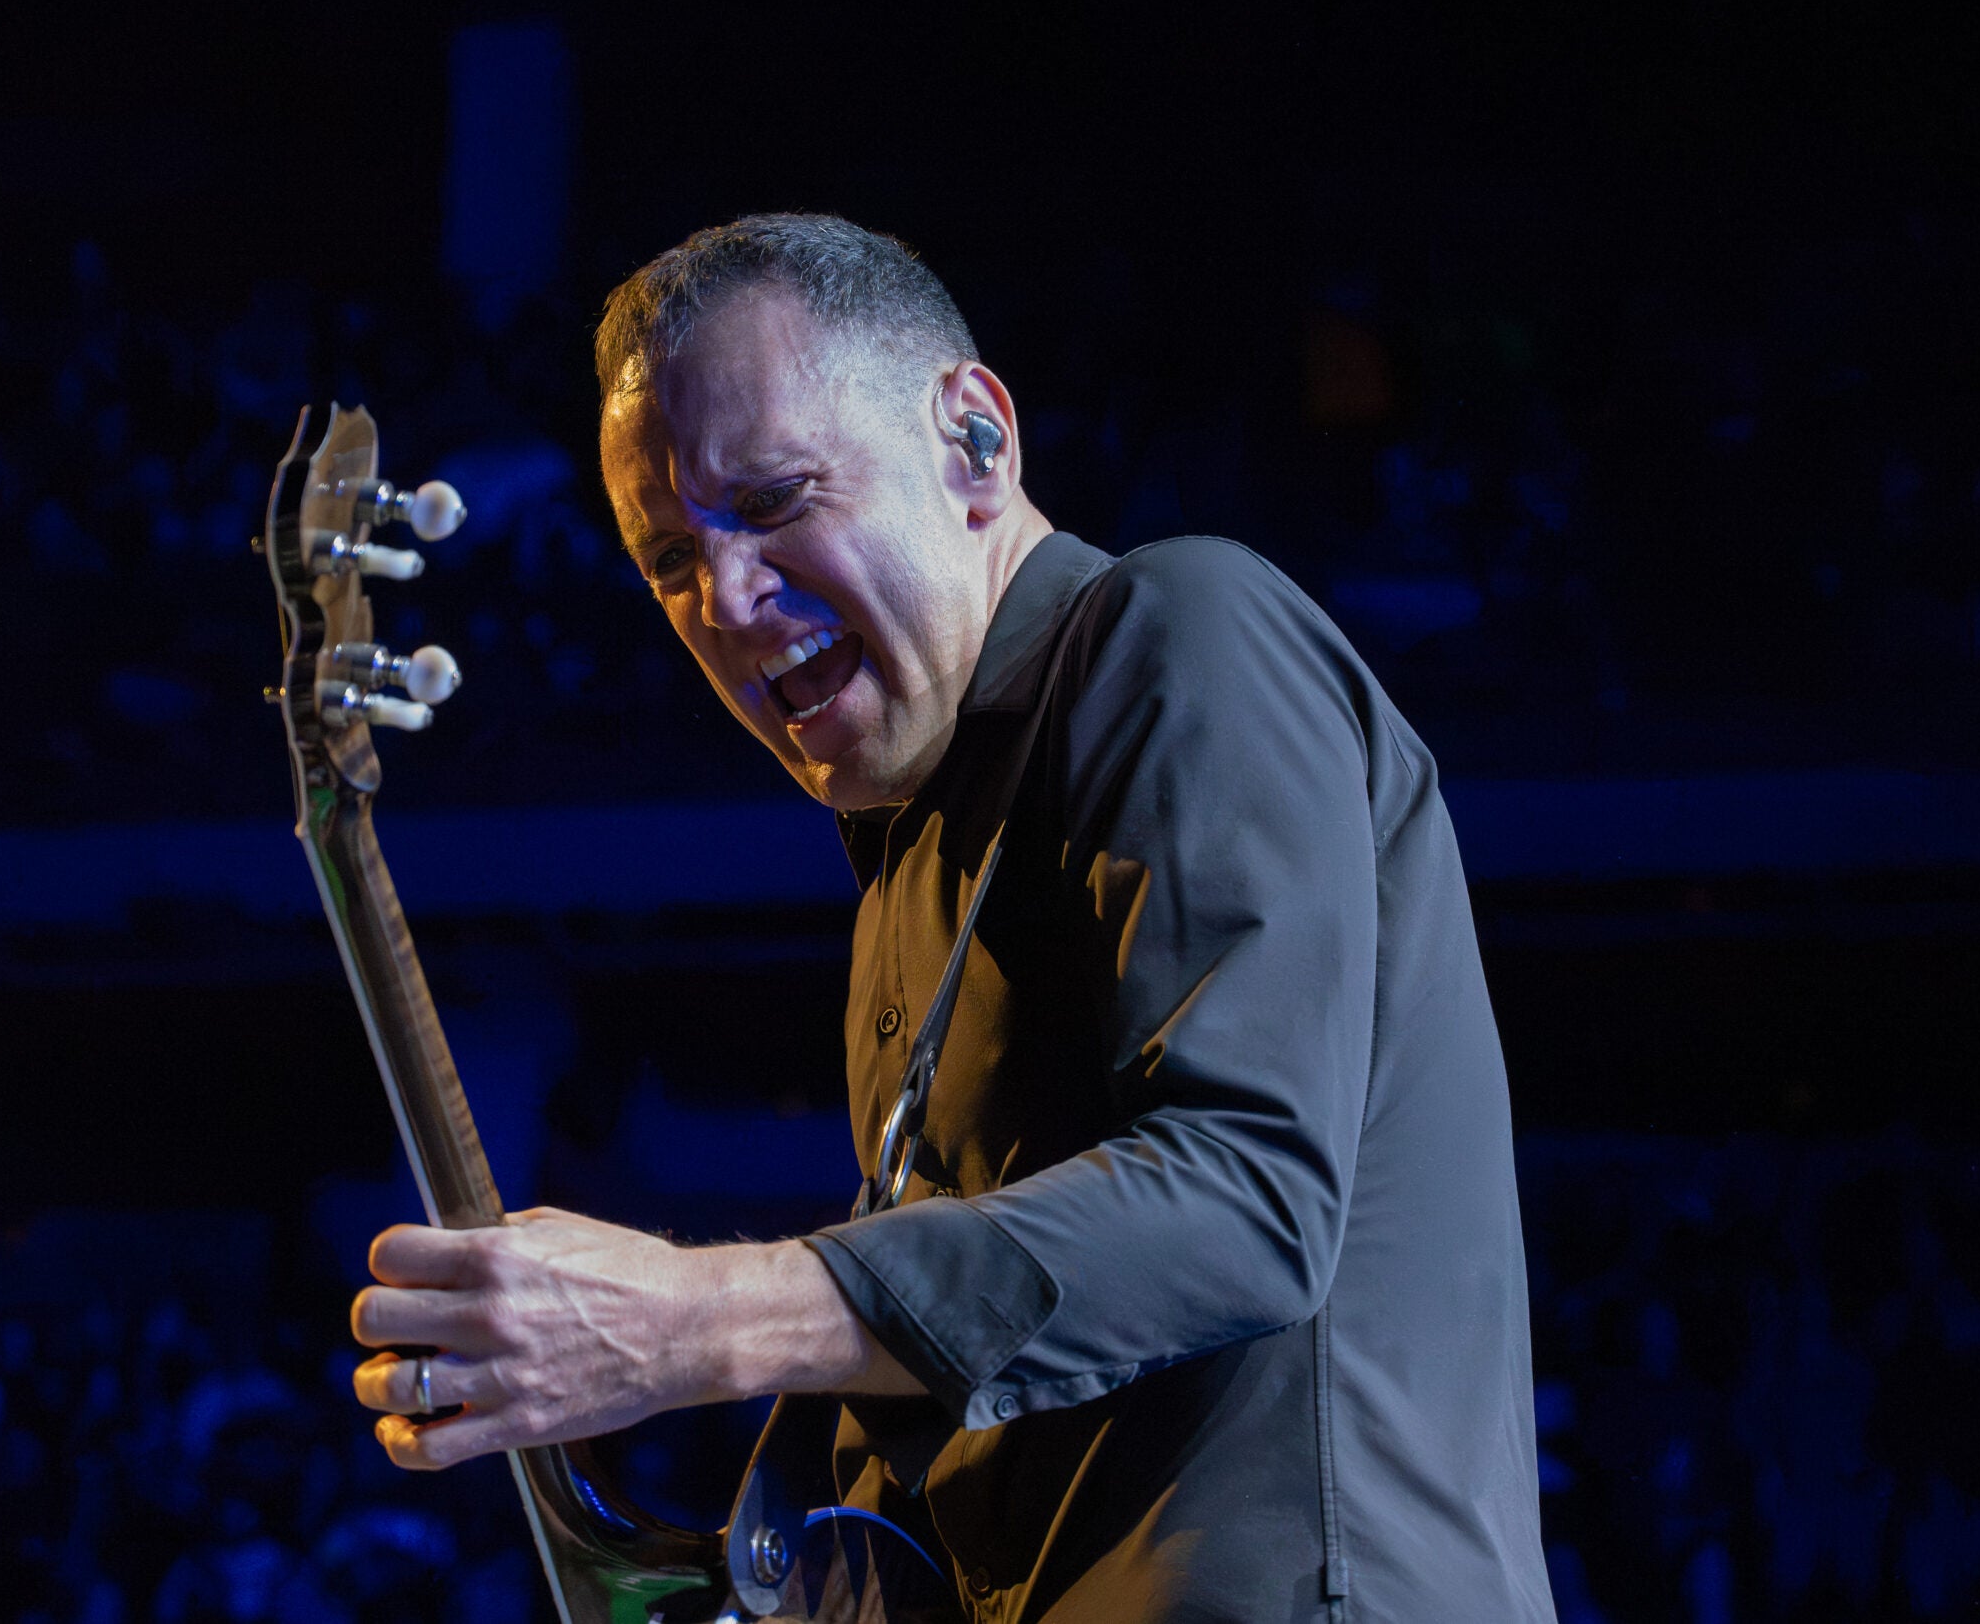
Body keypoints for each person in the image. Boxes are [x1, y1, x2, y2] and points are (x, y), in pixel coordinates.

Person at [347, 214, 1556, 1622]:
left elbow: (1251, 1195)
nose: (724, 600)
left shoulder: (1181, 625)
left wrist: (695, 1321)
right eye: (669, 558)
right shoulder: (912, 865)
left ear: (975, 441)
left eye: (777, 497)